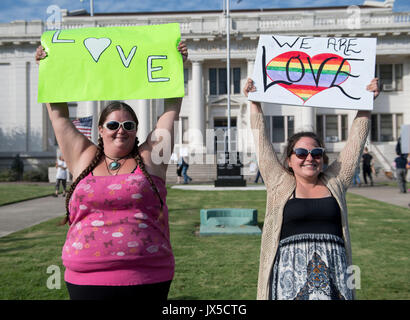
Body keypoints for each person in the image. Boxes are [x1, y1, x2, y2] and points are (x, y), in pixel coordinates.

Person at [36, 41, 188, 300]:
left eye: (129, 124)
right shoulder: (83, 156)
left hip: (147, 275)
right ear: (101, 129)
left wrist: (178, 69)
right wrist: (47, 69)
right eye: (114, 124)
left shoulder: (150, 158)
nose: (122, 129)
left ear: (136, 130)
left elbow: (171, 110)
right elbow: (59, 116)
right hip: (86, 278)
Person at [243, 77, 380, 300]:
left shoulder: (335, 181)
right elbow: (262, 142)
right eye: (301, 153)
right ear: (289, 160)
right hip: (289, 280)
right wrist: (254, 102)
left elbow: (356, 142)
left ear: (323, 158)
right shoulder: (279, 183)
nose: (309, 158)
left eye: (316, 153)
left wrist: (366, 102)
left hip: (335, 276)